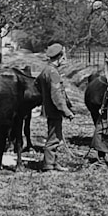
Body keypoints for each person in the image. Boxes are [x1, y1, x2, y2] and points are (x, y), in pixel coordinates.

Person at [35, 43, 74, 172]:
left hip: (49, 108)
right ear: (60, 57)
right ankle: (48, 165)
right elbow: (57, 96)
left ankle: (53, 162)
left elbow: (38, 85)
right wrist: (66, 111)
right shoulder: (53, 73)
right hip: (55, 110)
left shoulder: (46, 70)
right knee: (54, 138)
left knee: (56, 136)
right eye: (64, 55)